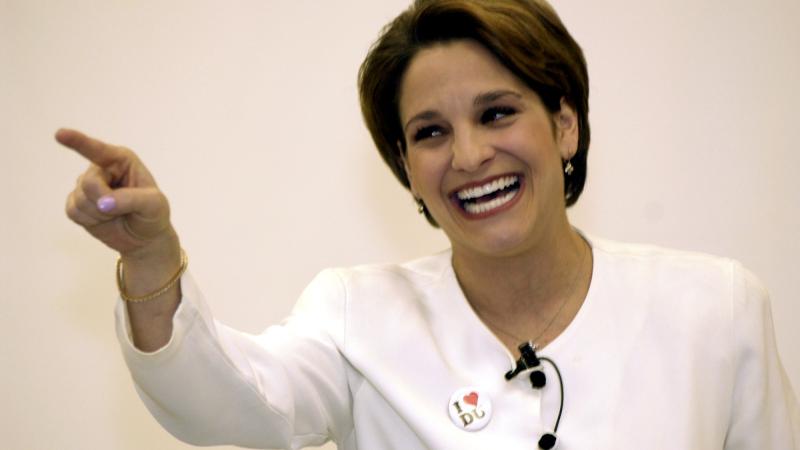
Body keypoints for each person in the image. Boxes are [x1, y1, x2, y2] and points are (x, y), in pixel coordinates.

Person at [60, 0, 799, 449]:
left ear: (565, 125)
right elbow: (225, 404)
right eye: (431, 132)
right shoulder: (355, 315)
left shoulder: (716, 309)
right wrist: (152, 259)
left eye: (497, 113)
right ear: (407, 167)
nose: (469, 156)